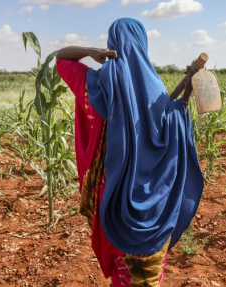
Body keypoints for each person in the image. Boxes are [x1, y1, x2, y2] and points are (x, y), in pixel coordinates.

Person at [56, 17, 204, 287]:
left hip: (115, 202)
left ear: (113, 44)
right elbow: (175, 124)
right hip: (158, 207)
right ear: (144, 45)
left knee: (124, 273)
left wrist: (91, 53)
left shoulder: (99, 86)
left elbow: (61, 58)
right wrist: (185, 97)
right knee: (148, 276)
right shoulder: (158, 92)